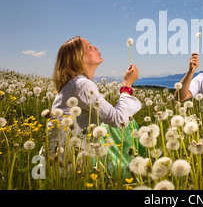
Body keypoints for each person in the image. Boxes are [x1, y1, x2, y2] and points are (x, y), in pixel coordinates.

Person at [47, 36, 143, 177]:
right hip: (66, 168)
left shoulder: (74, 84)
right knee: (125, 125)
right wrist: (127, 85)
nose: (96, 47)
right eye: (90, 47)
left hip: (60, 161)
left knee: (108, 126)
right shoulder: (81, 85)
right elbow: (118, 120)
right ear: (79, 58)